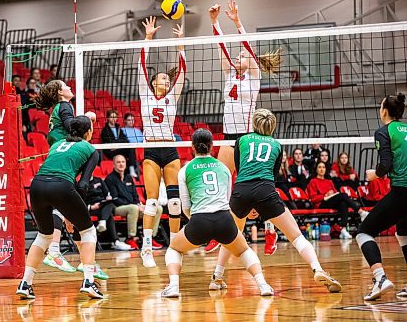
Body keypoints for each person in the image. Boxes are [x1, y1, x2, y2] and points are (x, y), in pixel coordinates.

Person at [228, 108, 342, 293]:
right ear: (272, 126)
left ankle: (216, 277)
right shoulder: (277, 145)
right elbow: (272, 177)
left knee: (232, 234)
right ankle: (317, 269)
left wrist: (251, 204)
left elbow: (240, 170)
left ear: (254, 123)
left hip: (242, 191)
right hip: (266, 190)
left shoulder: (241, 140)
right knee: (296, 237)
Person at [207, 0, 281, 262]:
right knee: (221, 184)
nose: (238, 57)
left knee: (259, 187)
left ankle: (270, 229)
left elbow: (246, 46)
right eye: (236, 57)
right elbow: (221, 48)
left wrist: (237, 22)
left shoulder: (254, 78)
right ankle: (218, 231)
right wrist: (215, 22)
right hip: (229, 137)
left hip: (249, 138)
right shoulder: (229, 75)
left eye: (242, 56)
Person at [161, 129, 273, 298]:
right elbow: (227, 200)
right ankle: (263, 285)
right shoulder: (224, 168)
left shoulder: (185, 170)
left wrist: (197, 222)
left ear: (192, 147)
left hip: (199, 221)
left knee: (174, 249)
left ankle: (174, 287)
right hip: (224, 219)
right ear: (212, 146)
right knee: (244, 251)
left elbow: (185, 205)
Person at [16, 116, 104, 300]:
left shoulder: (57, 144)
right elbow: (83, 185)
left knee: (44, 236)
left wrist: (70, 213)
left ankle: (25, 283)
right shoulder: (91, 150)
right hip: (61, 186)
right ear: (88, 132)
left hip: (37, 185)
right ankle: (89, 281)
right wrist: (73, 216)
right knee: (88, 232)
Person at [34, 80, 107, 279]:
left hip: (60, 151)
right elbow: (72, 126)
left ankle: (86, 261)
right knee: (68, 204)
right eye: (66, 86)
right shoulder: (64, 105)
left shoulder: (60, 107)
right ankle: (56, 251)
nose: (70, 87)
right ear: (60, 92)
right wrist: (88, 118)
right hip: (66, 151)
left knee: (72, 215)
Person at [138, 16, 186, 268]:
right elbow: (141, 65)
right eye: (162, 79)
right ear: (153, 82)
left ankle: (175, 245)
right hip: (151, 148)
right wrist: (148, 38)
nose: (166, 81)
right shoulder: (145, 94)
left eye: (168, 79)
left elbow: (183, 71)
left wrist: (180, 45)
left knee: (175, 201)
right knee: (152, 200)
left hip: (169, 148)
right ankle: (146, 247)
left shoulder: (172, 98)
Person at [355, 93, 407, 300]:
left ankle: (380, 278)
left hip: (402, 191)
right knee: (403, 232)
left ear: (384, 110)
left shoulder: (384, 132)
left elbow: (385, 165)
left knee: (363, 232)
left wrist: (374, 175)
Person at [104, 154, 163, 250]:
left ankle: (149, 237)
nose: (121, 164)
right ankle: (130, 238)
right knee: (133, 208)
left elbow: (135, 195)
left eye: (123, 162)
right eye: (118, 162)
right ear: (113, 165)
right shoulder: (110, 179)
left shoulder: (128, 177)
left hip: (133, 207)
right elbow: (115, 199)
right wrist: (135, 205)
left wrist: (140, 204)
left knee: (157, 209)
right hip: (117, 207)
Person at [306, 161, 367, 239]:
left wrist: (332, 195)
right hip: (321, 203)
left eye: (323, 167)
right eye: (319, 167)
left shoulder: (329, 181)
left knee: (343, 202)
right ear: (316, 169)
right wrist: (325, 195)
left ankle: (343, 229)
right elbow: (313, 199)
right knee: (343, 195)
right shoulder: (313, 181)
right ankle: (360, 212)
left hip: (331, 202)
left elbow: (335, 194)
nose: (322, 169)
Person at [84, 175, 132, 251]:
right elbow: (78, 200)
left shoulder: (99, 180)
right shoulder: (81, 183)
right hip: (90, 209)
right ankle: (115, 241)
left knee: (110, 204)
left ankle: (103, 222)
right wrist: (91, 207)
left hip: (103, 205)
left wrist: (107, 198)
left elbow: (107, 193)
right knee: (109, 214)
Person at [100, 109, 137, 177]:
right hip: (110, 151)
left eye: (115, 117)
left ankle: (132, 170)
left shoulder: (119, 128)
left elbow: (125, 140)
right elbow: (109, 141)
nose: (113, 119)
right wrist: (119, 142)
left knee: (131, 148)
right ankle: (130, 170)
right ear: (108, 118)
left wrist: (117, 144)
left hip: (118, 149)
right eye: (111, 117)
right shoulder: (105, 130)